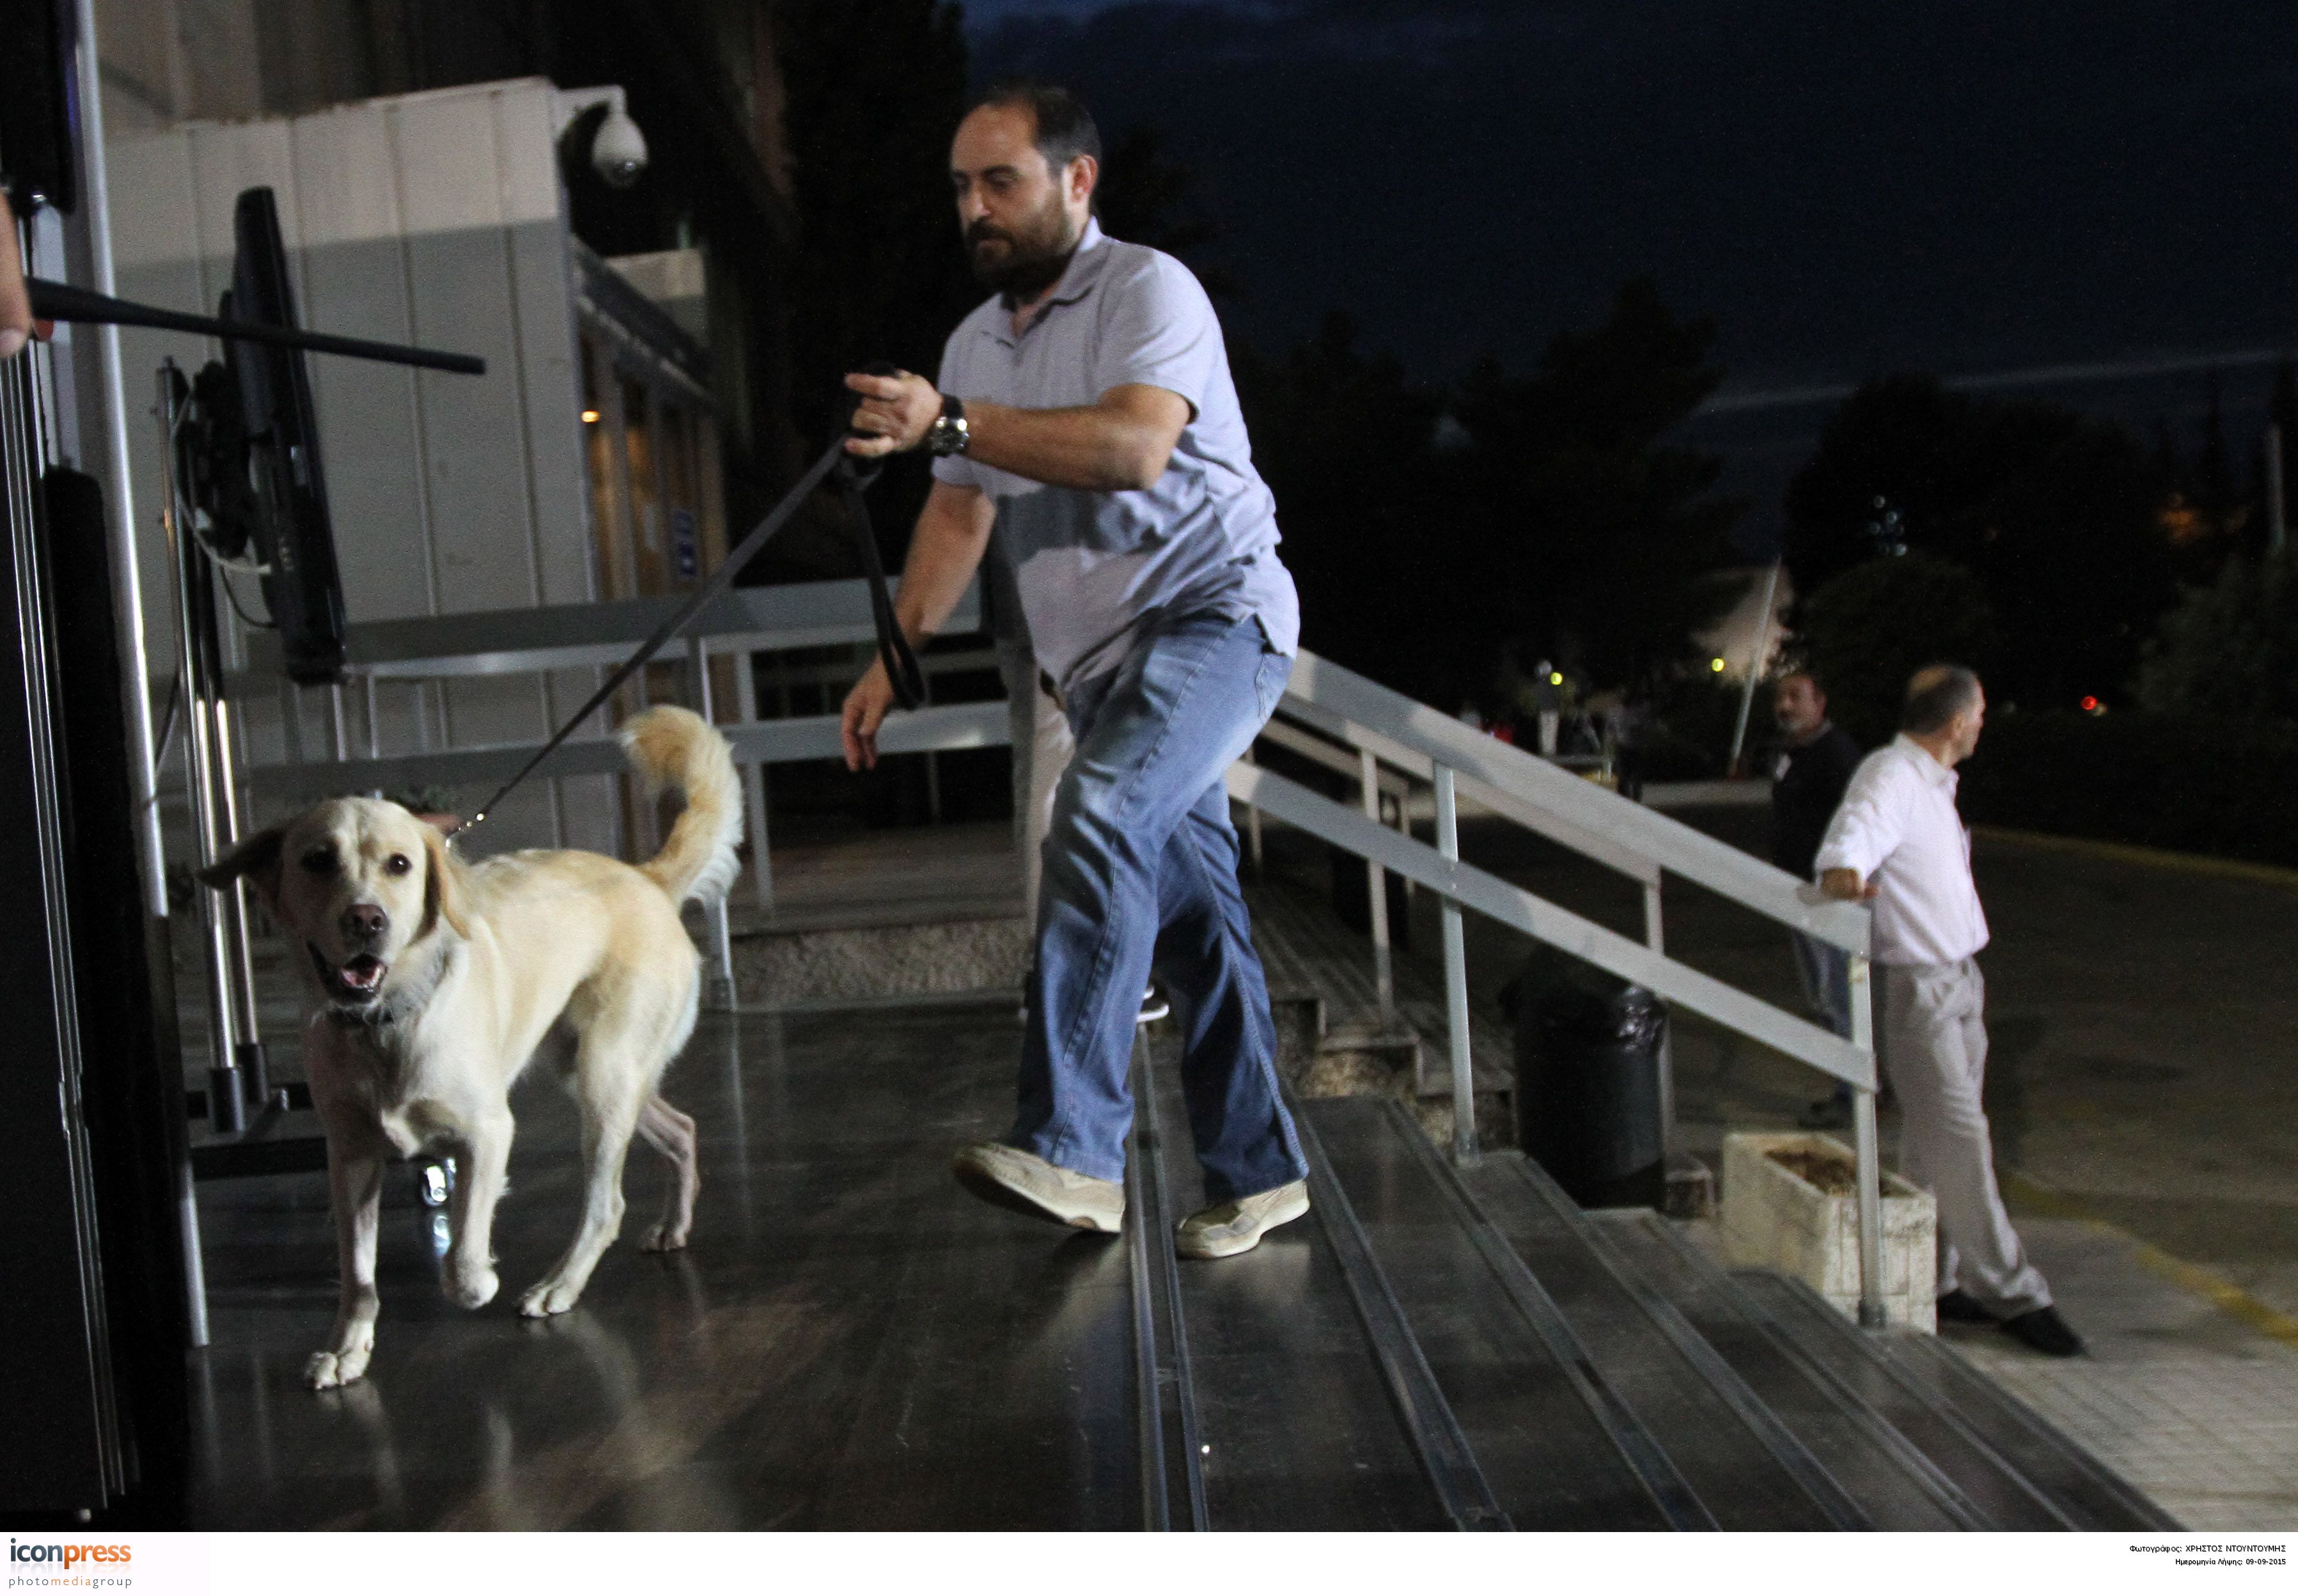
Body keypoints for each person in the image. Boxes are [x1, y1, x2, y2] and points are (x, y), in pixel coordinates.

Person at [840, 79, 1309, 1259]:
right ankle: (1259, 1173)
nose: (974, 208)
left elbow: (1132, 447)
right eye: (959, 187)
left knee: (1093, 813)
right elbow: (956, 523)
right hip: (1098, 674)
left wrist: (954, 424)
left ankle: (1073, 1150)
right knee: (1198, 922)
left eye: (1000, 180)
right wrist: (894, 656)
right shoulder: (971, 343)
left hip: (1211, 620)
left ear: (1076, 182)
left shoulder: (1147, 290)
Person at [1815, 666, 2083, 1355]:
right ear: (1957, 721)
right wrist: (1844, 874)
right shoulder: (1893, 777)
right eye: (1982, 712)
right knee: (1963, 1142)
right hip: (1919, 989)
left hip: (1960, 981)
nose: (1984, 723)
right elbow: (1852, 839)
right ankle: (2014, 1291)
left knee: (1930, 1148)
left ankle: (1935, 1281)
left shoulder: (1932, 784)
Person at [1767, 669, 1863, 1129]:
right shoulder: (1792, 754)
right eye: (1780, 698)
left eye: (1795, 697)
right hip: (1798, 894)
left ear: (1820, 702)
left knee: (1838, 993)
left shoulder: (1836, 755)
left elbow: (1858, 821)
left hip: (1827, 898)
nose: (1785, 706)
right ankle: (1853, 1085)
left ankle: (1858, 1091)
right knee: (1823, 995)